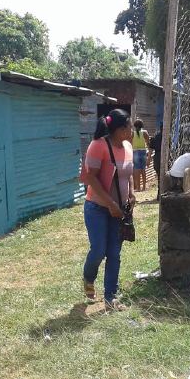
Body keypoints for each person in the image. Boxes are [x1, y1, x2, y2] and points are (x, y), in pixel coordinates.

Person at [80, 109, 135, 311]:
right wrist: (110, 204)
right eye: (129, 126)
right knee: (99, 250)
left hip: (119, 210)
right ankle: (88, 277)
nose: (132, 129)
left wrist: (131, 194)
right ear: (120, 129)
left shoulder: (128, 146)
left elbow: (127, 173)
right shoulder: (98, 146)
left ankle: (111, 297)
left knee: (114, 253)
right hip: (97, 207)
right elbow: (90, 178)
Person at [131, 119, 150, 192]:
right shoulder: (145, 132)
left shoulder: (132, 133)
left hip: (135, 152)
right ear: (142, 125)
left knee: (136, 170)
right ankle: (144, 187)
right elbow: (148, 142)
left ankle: (138, 188)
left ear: (135, 126)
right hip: (143, 151)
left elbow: (129, 142)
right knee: (143, 170)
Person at [148, 123, 163, 199]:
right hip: (165, 157)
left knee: (160, 177)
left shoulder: (155, 137)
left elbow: (150, 150)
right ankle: (162, 194)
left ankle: (159, 194)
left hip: (157, 157)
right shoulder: (170, 136)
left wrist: (148, 160)